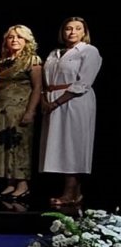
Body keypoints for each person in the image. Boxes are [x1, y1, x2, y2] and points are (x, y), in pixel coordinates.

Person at [39, 16, 101, 207]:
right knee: (59, 146)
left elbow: (84, 82)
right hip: (52, 100)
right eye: (68, 28)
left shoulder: (89, 51)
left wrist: (57, 102)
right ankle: (76, 194)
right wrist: (45, 100)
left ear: (84, 32)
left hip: (74, 101)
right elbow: (45, 80)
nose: (72, 32)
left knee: (73, 146)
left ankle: (70, 193)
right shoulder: (54, 53)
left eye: (77, 28)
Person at [0, 25, 42, 201]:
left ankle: (22, 184)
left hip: (20, 109)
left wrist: (31, 111)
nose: (15, 40)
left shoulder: (32, 60)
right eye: (11, 37)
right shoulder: (2, 62)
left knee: (20, 147)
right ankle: (10, 183)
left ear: (26, 40)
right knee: (4, 146)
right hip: (1, 109)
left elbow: (38, 87)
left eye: (19, 37)